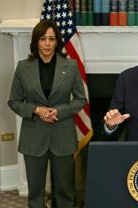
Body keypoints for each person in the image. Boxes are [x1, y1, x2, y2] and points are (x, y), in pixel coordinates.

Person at [7, 20, 87, 208]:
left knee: (65, 193)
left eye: (51, 39)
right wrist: (36, 110)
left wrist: (60, 110)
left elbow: (80, 100)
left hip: (63, 135)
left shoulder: (71, 66)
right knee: (35, 194)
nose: (47, 44)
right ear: (36, 41)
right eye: (43, 39)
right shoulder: (23, 67)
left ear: (57, 41)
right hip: (33, 137)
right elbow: (14, 101)